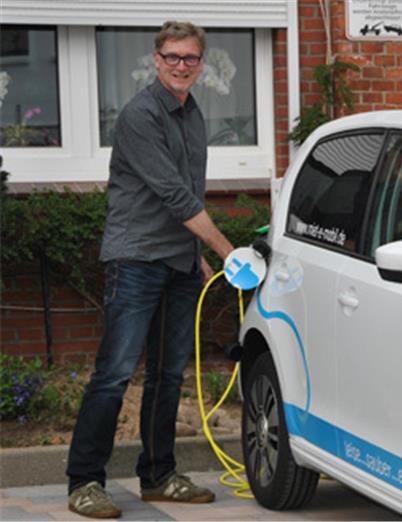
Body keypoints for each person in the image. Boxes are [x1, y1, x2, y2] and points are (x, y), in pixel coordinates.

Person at [66, 21, 235, 519]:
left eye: (190, 58)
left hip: (178, 260)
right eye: (172, 57)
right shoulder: (141, 114)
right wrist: (228, 251)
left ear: (201, 64)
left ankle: (159, 475)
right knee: (114, 374)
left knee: (168, 374)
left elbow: (189, 192)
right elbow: (174, 195)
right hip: (136, 258)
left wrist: (196, 254)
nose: (181, 66)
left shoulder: (193, 113)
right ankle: (84, 482)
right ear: (156, 59)